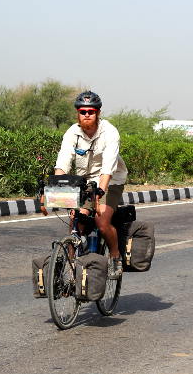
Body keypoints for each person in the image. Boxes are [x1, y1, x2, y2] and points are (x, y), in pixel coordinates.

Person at [42, 91, 128, 278]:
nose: (86, 114)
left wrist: (99, 192)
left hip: (111, 180)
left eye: (91, 111)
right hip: (83, 180)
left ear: (98, 113)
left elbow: (108, 168)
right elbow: (63, 162)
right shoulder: (73, 132)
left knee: (101, 221)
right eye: (82, 111)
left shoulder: (110, 132)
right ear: (77, 113)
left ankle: (115, 256)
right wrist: (57, 187)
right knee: (76, 220)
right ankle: (72, 270)